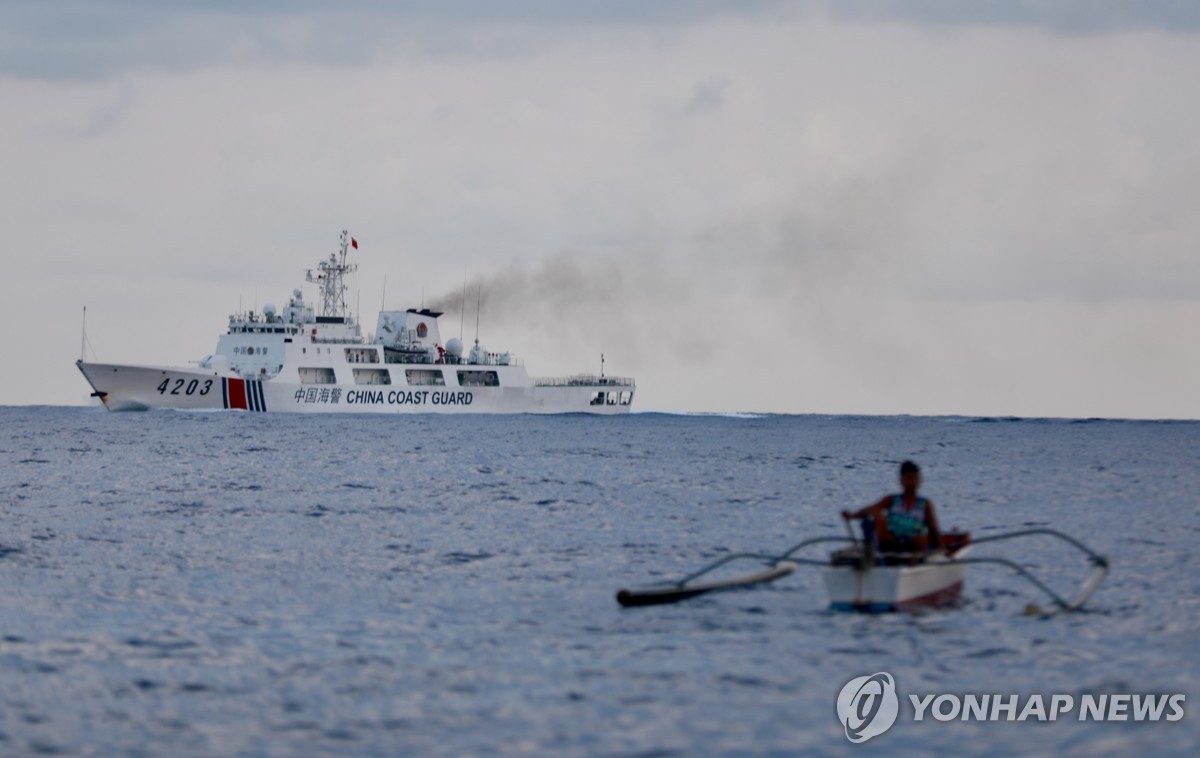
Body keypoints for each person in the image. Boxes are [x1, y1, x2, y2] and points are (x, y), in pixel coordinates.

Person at [842, 461, 942, 553]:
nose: (911, 482)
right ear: (901, 481)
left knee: (920, 539)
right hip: (891, 541)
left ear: (919, 481)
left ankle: (915, 565)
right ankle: (874, 554)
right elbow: (872, 509)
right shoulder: (891, 500)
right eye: (908, 478)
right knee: (879, 517)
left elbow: (933, 528)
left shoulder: (925, 504)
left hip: (913, 546)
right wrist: (852, 516)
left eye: (914, 478)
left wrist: (939, 549)